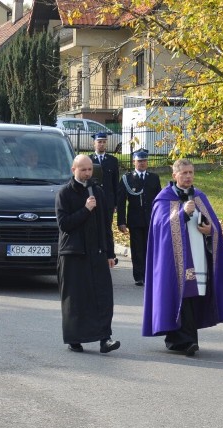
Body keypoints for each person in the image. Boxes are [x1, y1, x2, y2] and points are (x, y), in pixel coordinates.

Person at [142, 159, 223, 356]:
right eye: (184, 173)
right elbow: (160, 227)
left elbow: (214, 227)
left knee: (193, 296)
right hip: (173, 261)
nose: (188, 176)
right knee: (181, 296)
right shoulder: (164, 198)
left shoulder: (200, 197)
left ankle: (185, 340)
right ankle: (183, 341)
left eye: (191, 173)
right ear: (174, 175)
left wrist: (211, 229)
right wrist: (182, 215)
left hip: (198, 256)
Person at [55, 154, 120, 354]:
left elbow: (105, 225)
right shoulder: (64, 193)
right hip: (73, 253)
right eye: (83, 169)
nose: (87, 173)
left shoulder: (97, 192)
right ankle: (75, 338)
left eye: (90, 169)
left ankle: (105, 339)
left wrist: (110, 252)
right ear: (73, 170)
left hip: (97, 252)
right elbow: (64, 224)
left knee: (102, 296)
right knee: (76, 298)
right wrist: (85, 209)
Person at [117, 149, 162, 286]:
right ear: (134, 162)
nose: (142, 163)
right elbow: (121, 202)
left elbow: (159, 200)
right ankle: (139, 276)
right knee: (137, 249)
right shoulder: (127, 178)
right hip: (135, 220)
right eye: (139, 161)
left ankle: (149, 275)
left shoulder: (153, 178)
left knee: (150, 248)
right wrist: (121, 222)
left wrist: (159, 219)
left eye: (144, 161)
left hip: (151, 219)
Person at [89, 131, 119, 226]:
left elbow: (115, 183)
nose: (102, 144)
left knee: (107, 227)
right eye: (99, 142)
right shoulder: (89, 160)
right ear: (94, 143)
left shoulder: (113, 161)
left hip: (108, 201)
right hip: (93, 199)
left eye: (104, 142)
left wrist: (115, 203)